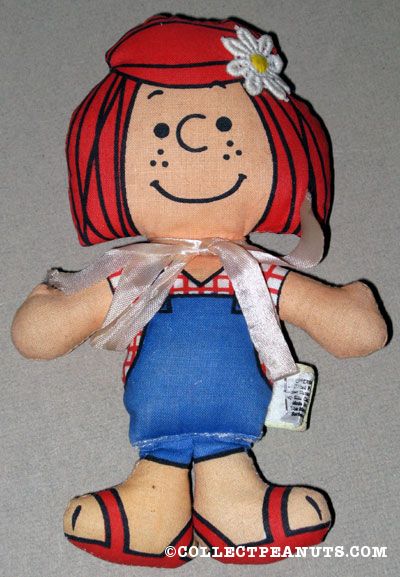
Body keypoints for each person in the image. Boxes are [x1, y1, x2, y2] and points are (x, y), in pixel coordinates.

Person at [12, 15, 388, 566]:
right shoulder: (139, 271)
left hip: (236, 423)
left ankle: (232, 505)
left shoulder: (252, 272)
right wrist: (50, 313)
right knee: (162, 464)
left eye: (224, 125)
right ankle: (151, 511)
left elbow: (353, 330)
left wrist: (347, 313)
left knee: (225, 463)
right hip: (153, 423)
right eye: (161, 132)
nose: (194, 139)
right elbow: (41, 336)